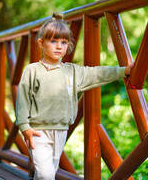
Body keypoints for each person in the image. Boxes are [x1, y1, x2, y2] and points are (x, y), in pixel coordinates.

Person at [16, 12, 134, 180]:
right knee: (45, 174)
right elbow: (23, 99)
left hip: (61, 130)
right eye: (53, 41)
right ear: (41, 43)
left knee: (49, 173)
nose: (59, 46)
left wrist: (123, 71)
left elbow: (96, 73)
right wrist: (25, 127)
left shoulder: (71, 71)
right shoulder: (33, 70)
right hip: (38, 131)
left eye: (63, 42)